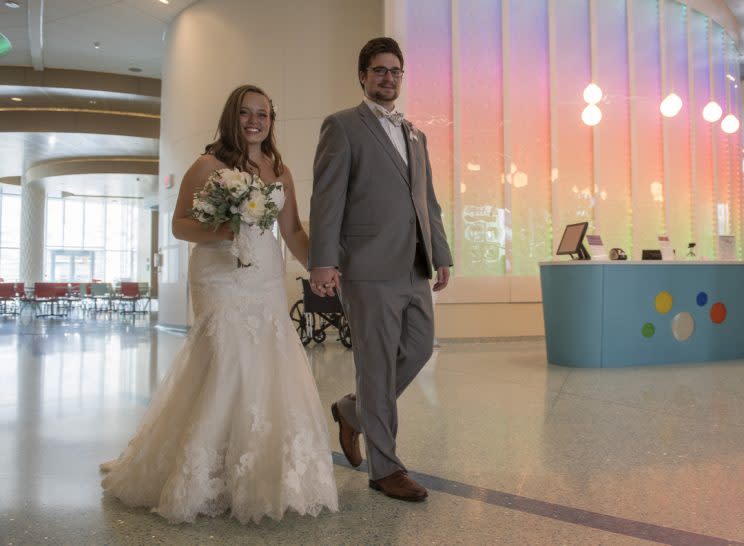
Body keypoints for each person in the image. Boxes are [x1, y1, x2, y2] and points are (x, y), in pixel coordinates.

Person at [100, 85, 338, 524]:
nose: (254, 121)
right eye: (246, 113)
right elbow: (180, 225)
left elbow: (292, 233)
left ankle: (260, 469)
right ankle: (206, 471)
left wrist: (323, 266)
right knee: (227, 360)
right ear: (232, 117)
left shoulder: (279, 170)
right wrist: (229, 228)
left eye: (263, 114)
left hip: (263, 274)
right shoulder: (207, 165)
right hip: (217, 273)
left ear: (271, 120)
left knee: (267, 362)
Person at [308, 37, 452, 502]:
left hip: (414, 265)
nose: (388, 78)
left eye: (395, 71)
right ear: (363, 76)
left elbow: (426, 201)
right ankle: (384, 468)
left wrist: (441, 253)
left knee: (418, 348)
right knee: (374, 365)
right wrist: (323, 261)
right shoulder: (343, 126)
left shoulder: (416, 134)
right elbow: (327, 198)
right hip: (367, 266)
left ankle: (352, 411)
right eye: (379, 70)